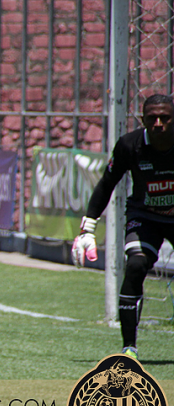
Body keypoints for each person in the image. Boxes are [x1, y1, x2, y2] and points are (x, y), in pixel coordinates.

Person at [72, 92, 174, 361]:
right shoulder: (129, 145)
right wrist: (88, 228)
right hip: (146, 216)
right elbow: (107, 183)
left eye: (165, 118)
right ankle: (130, 347)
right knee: (136, 265)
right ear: (143, 120)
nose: (159, 123)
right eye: (152, 118)